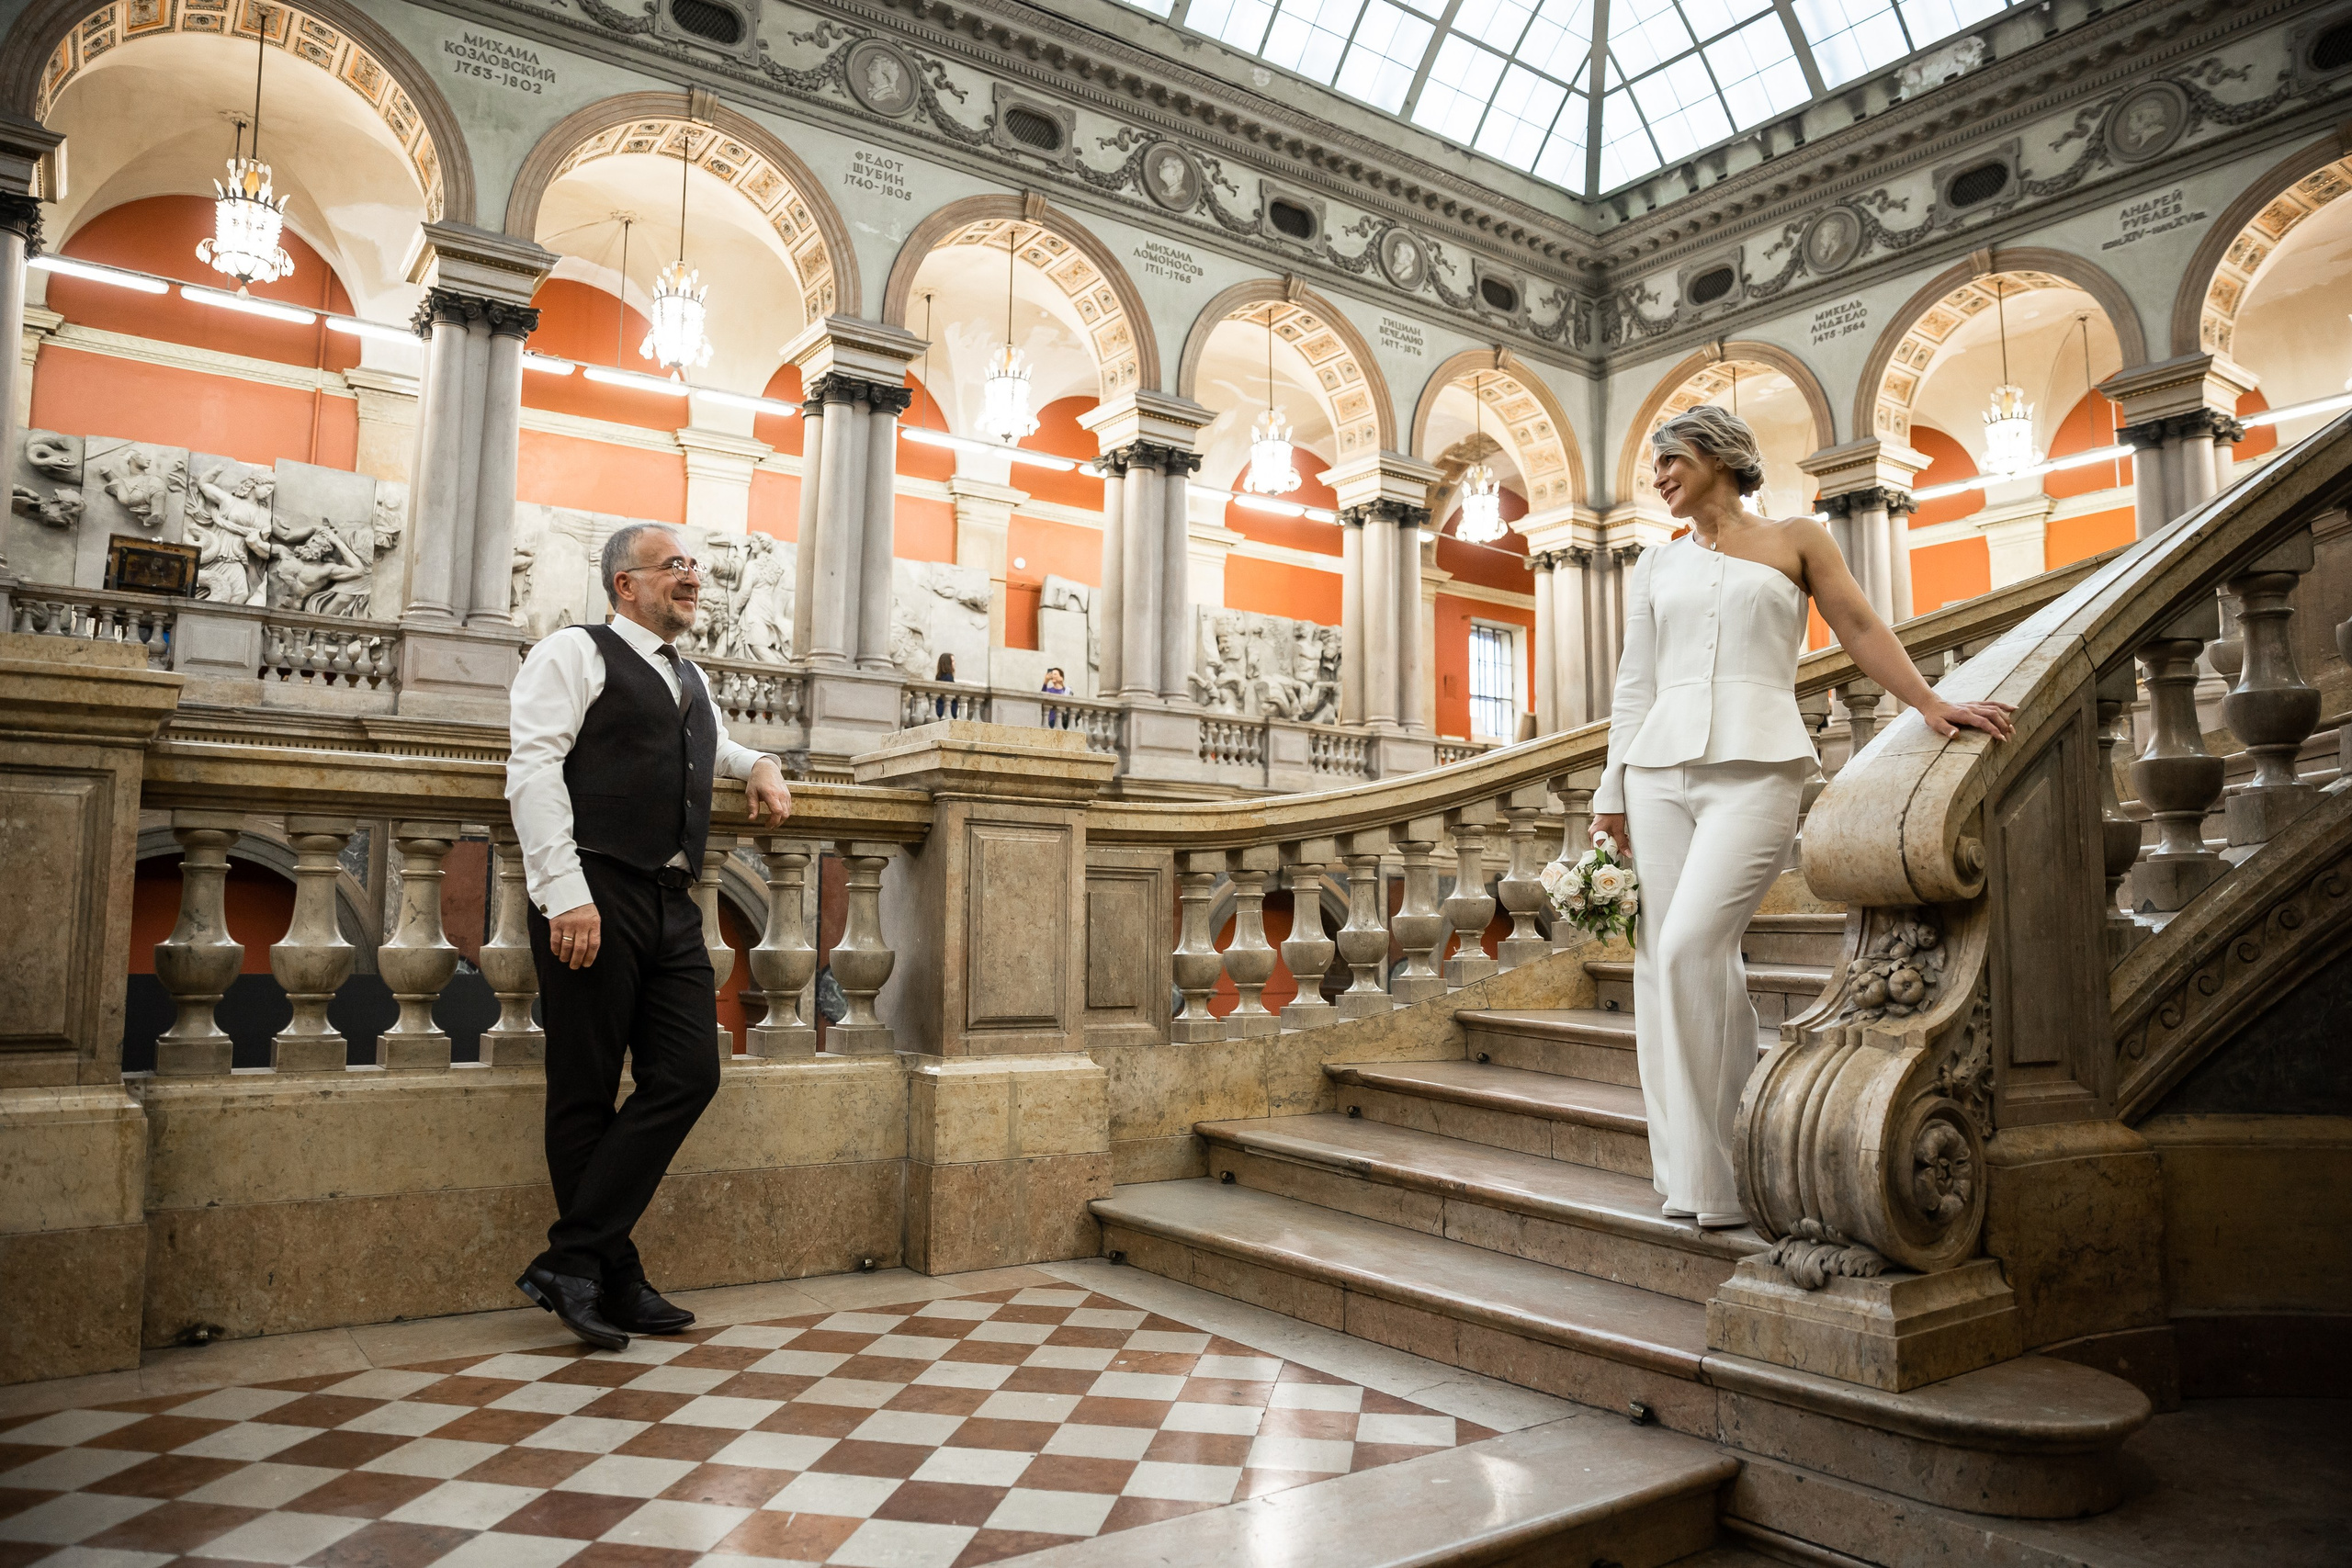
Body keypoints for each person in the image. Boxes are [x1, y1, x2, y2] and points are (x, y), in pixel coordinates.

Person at [1589, 406, 2012, 1230]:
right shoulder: (1653, 565)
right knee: (1670, 963)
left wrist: (1927, 702)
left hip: (1757, 768)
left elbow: (1857, 623)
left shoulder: (1798, 540)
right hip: (1656, 772)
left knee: (1691, 947)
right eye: (1655, 466)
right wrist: (1611, 795)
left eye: (1669, 458)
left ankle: (1728, 1153)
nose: (1658, 477)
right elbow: (1634, 684)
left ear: (1715, 454)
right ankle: (1699, 1172)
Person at [504, 522, 794, 1349]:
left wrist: (759, 764)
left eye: (695, 566)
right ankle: (612, 1274)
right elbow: (532, 770)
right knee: (586, 1091)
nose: (692, 577)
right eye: (674, 567)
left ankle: (575, 1261)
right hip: (591, 890)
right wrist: (565, 894)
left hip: (670, 902)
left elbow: (712, 746)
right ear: (624, 584)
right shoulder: (571, 653)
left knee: (689, 1073)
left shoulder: (689, 675)